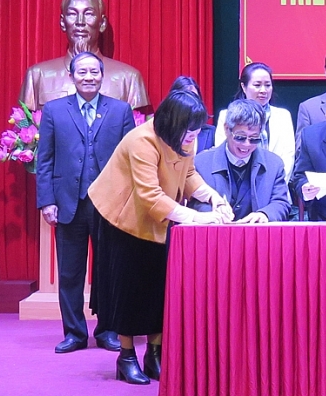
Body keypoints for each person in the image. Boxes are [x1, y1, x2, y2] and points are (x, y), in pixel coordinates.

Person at [88, 90, 234, 384]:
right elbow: (150, 196)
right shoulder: (141, 141)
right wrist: (197, 217)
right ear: (172, 124)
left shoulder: (186, 138)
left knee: (159, 288)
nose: (193, 137)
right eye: (190, 132)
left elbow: (189, 175)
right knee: (128, 290)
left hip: (160, 218)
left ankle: (154, 355)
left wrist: (214, 198)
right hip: (123, 218)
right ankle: (126, 357)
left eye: (196, 131)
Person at [35, 52, 135, 354]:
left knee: (109, 271)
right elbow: (45, 159)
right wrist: (47, 201)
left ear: (102, 75)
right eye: (82, 72)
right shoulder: (54, 110)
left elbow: (131, 160)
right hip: (68, 203)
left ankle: (108, 331)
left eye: (94, 72)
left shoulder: (120, 110)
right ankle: (74, 333)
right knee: (69, 273)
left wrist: (127, 201)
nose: (88, 77)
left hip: (109, 205)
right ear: (72, 76)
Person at [20, 0, 149, 111]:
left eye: (89, 14)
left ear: (102, 23)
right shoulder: (37, 75)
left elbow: (140, 124)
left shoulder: (129, 78)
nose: (80, 22)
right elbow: (24, 123)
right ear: (63, 22)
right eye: (72, 14)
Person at [192, 99, 290, 222]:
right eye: (240, 137)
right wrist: (213, 214)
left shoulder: (274, 164)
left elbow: (281, 203)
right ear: (226, 129)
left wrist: (264, 215)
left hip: (258, 232)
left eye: (254, 138)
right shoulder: (201, 163)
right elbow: (195, 203)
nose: (246, 144)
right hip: (216, 231)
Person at [214, 63, 295, 182]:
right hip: (237, 183)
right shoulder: (226, 115)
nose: (263, 90)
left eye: (267, 85)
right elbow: (222, 152)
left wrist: (275, 184)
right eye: (257, 85)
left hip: (276, 184)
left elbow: (288, 156)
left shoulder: (283, 116)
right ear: (243, 86)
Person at [169, 75, 215, 154]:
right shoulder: (162, 134)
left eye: (195, 97)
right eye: (186, 98)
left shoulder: (211, 132)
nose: (191, 102)